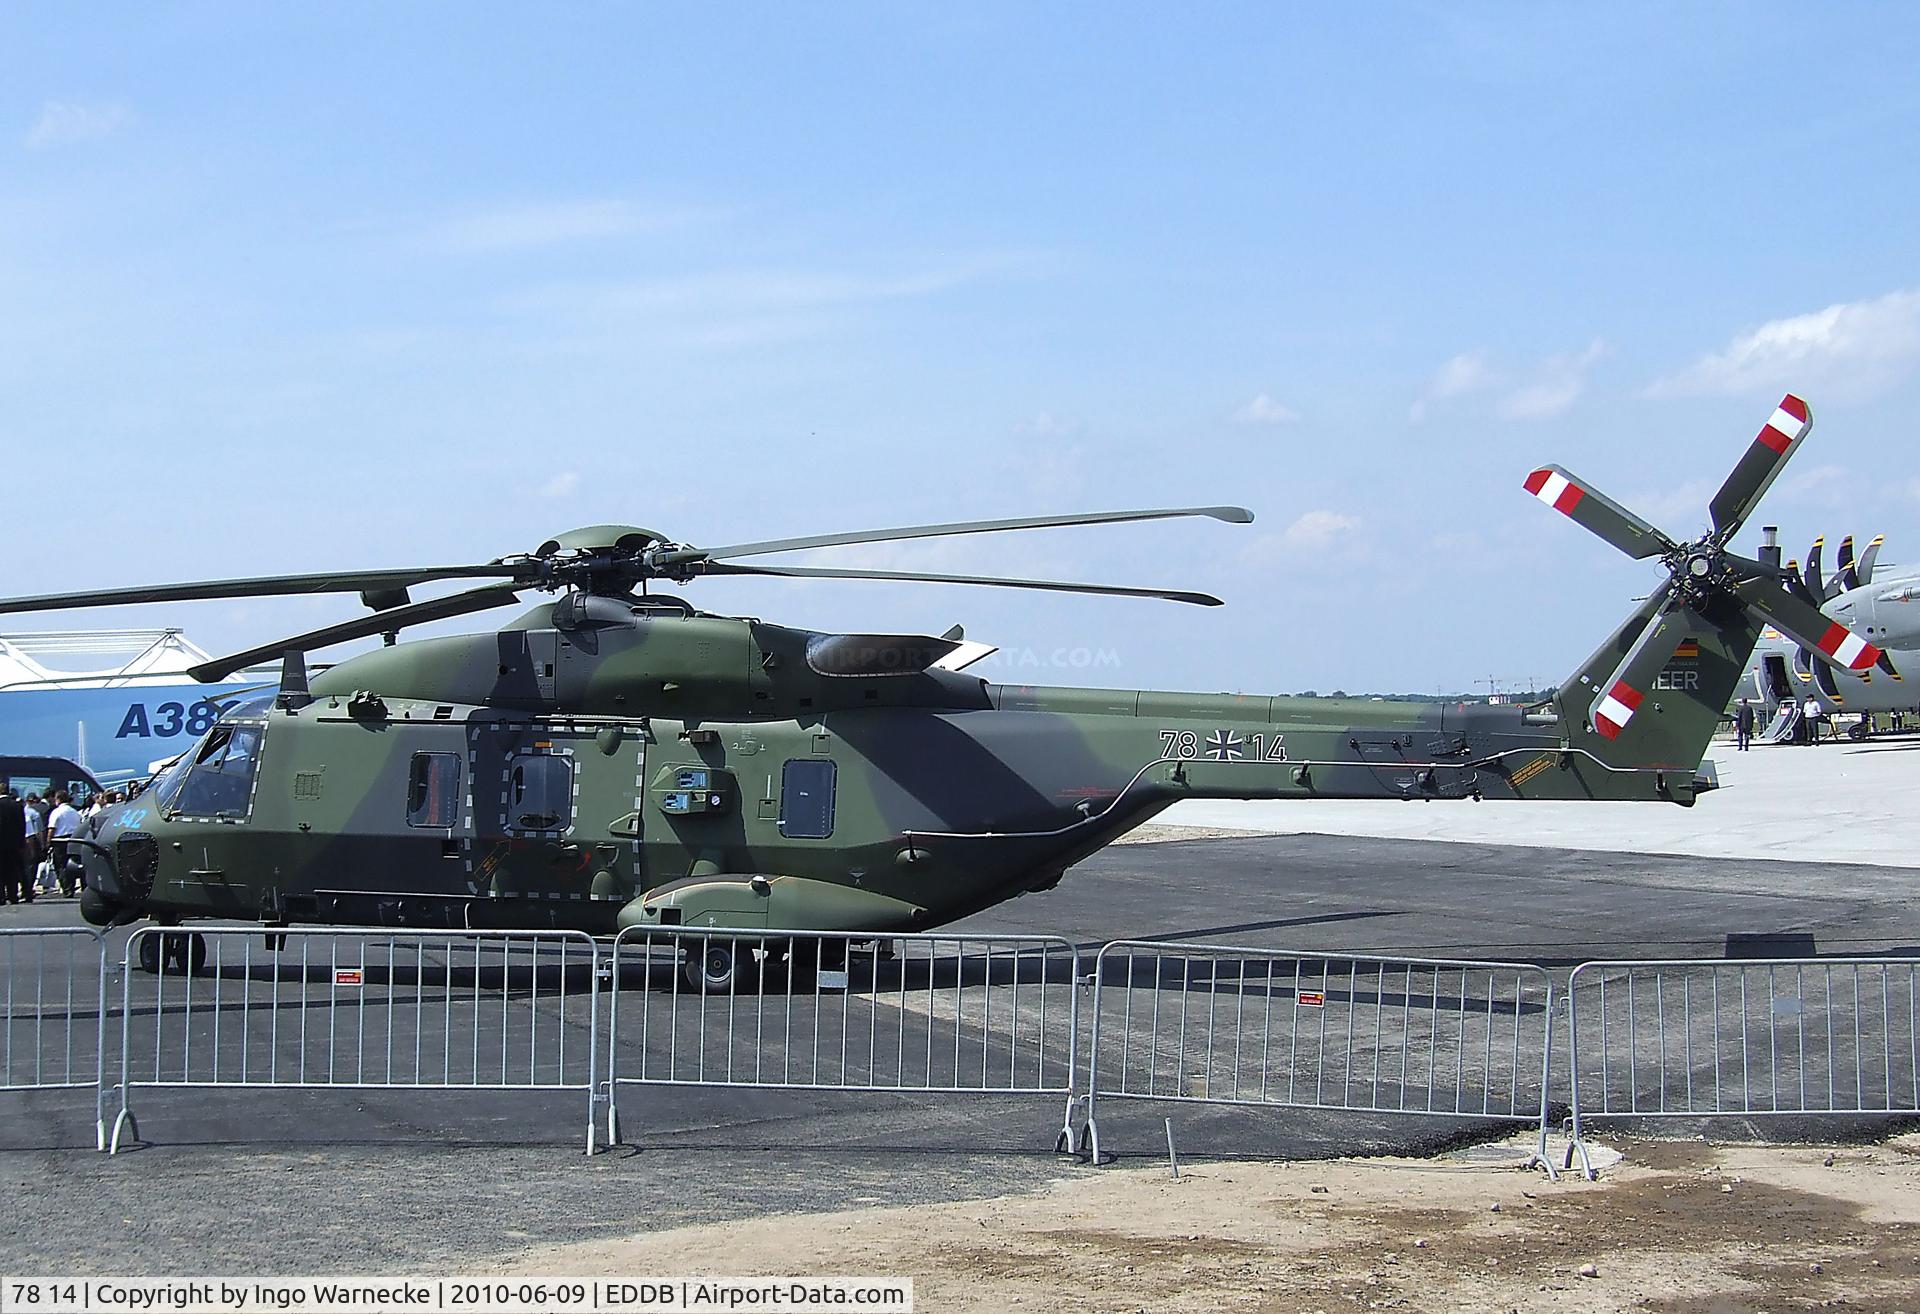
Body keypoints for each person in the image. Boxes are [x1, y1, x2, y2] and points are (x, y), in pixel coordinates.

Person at [45, 791, 83, 898]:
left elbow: (51, 829)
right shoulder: (75, 812)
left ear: (58, 799)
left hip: (59, 840)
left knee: (60, 865)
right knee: (71, 865)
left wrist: (48, 842)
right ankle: (72, 886)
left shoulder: (56, 812)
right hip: (74, 839)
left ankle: (66, 889)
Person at [0, 786, 25, 905]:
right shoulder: (17, 806)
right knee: (12, 871)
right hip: (14, 844)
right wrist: (21, 843)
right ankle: (12, 895)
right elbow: (22, 826)